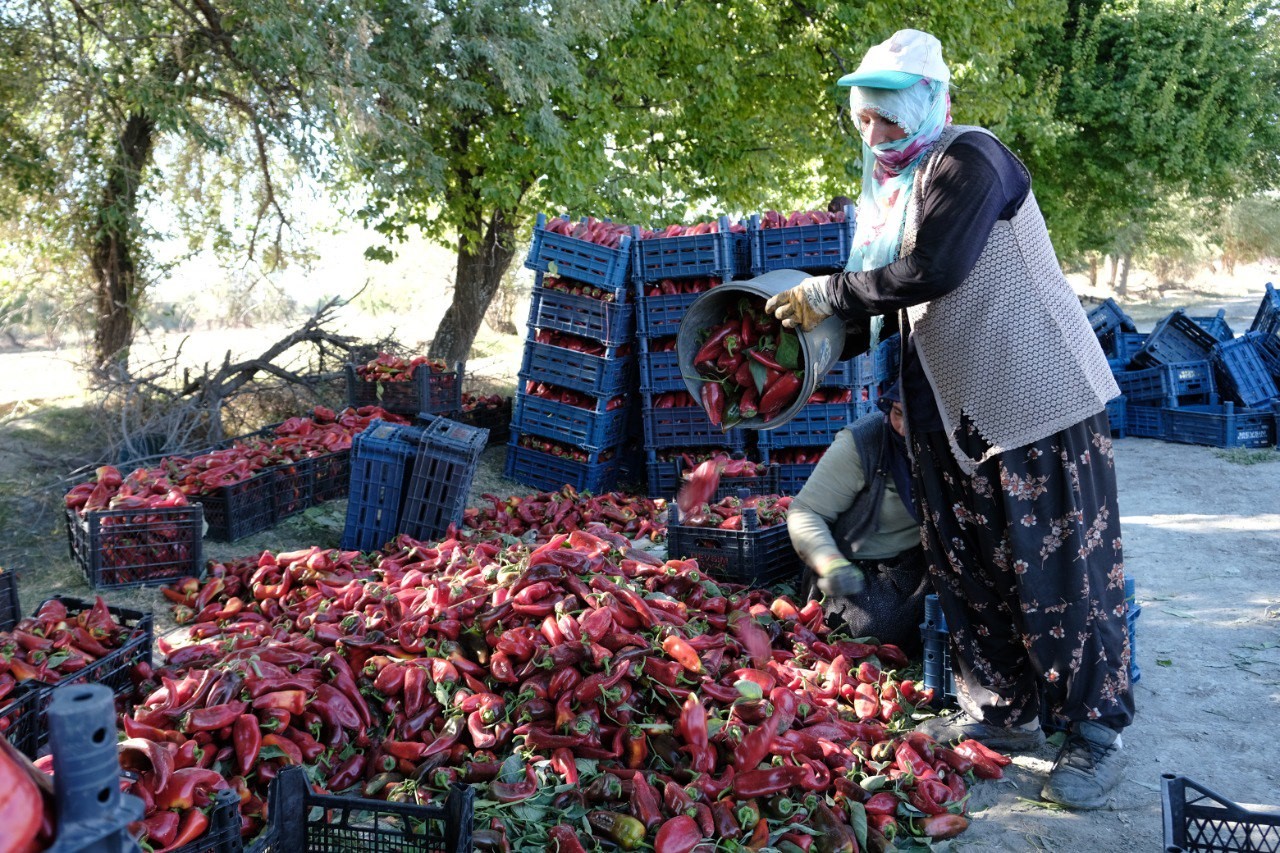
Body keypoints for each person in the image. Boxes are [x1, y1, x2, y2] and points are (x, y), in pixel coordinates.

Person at [764, 29, 1133, 809]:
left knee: (1060, 566)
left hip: (1034, 397)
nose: (874, 133)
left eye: (888, 118)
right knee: (970, 562)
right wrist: (804, 337)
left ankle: (1095, 732)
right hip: (949, 406)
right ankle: (1000, 709)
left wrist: (830, 293)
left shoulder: (972, 160)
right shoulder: (889, 188)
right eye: (864, 119)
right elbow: (884, 297)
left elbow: (934, 269)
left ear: (932, 105)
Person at [788, 384, 930, 653]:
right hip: (864, 567)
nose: (903, 429)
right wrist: (828, 562)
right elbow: (806, 511)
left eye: (916, 417)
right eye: (898, 413)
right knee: (876, 628)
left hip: (923, 559)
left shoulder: (956, 442)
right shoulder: (865, 442)